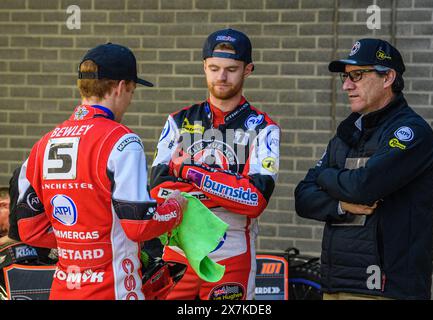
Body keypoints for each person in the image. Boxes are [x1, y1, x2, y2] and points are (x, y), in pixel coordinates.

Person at [9, 43, 187, 300]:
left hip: (63, 291)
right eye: (132, 91)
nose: (129, 100)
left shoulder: (43, 144)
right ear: (120, 87)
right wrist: (175, 208)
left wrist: (79, 244)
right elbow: (139, 225)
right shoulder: (123, 140)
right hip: (112, 290)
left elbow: (29, 229)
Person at [294, 38, 433, 300]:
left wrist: (325, 176)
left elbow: (364, 186)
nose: (347, 85)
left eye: (358, 75)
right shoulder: (346, 135)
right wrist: (342, 205)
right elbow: (303, 197)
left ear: (388, 78)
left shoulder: (411, 132)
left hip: (385, 289)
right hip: (335, 284)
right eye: (346, 77)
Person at [150, 28, 280, 300]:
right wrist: (227, 188)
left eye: (231, 69)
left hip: (232, 255)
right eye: (214, 68)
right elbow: (157, 190)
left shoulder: (264, 129)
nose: (221, 77)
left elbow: (255, 200)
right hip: (178, 254)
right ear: (204, 67)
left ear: (248, 70)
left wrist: (188, 171)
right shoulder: (177, 121)